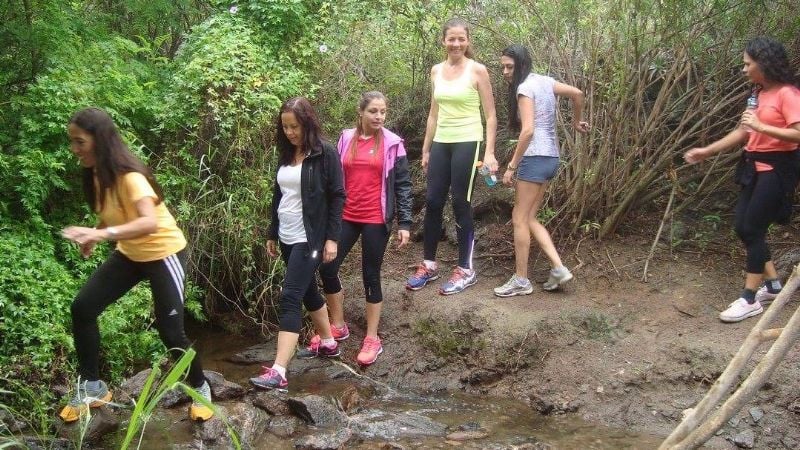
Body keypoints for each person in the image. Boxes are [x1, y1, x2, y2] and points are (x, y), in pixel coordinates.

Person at [59, 107, 213, 422]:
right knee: (83, 308)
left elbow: (147, 223)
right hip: (130, 254)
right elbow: (113, 212)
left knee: (170, 331)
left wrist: (100, 233)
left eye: (80, 142)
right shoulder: (98, 174)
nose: (74, 149)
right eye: (72, 142)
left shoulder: (131, 177)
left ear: (99, 140)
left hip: (164, 253)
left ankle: (202, 387)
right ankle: (92, 386)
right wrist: (96, 232)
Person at [684, 36, 800, 323]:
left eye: (747, 64)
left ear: (764, 63)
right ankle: (772, 286)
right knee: (742, 227)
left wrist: (762, 126)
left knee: (752, 226)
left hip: (778, 169)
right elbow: (744, 131)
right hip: (753, 166)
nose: (744, 69)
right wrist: (707, 151)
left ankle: (749, 299)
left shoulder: (788, 94)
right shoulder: (758, 93)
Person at [249, 97, 345, 391]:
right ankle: (328, 343)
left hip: (311, 237)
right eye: (286, 127)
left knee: (289, 295)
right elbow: (278, 196)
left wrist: (331, 238)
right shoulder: (287, 153)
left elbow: (338, 196)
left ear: (307, 123)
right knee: (306, 291)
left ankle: (279, 371)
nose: (290, 132)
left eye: (295, 126)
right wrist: (271, 232)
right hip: (287, 235)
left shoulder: (325, 153)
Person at [316, 91, 413, 366]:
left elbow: (403, 185)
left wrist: (404, 223)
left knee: (370, 274)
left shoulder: (393, 144)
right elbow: (335, 178)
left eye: (383, 111)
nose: (379, 116)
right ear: (361, 112)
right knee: (327, 267)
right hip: (345, 215)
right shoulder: (346, 138)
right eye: (373, 111)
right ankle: (338, 325)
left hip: (375, 218)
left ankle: (372, 338)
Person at [406, 17, 498, 295]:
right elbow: (433, 114)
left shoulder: (478, 70)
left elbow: (491, 116)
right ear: (443, 41)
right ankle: (429, 265)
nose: (456, 43)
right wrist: (426, 148)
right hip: (441, 142)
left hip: (468, 141)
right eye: (451, 39)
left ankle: (465, 269)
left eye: (461, 39)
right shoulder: (436, 71)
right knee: (433, 202)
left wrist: (490, 152)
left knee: (460, 201)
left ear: (468, 41)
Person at [493, 45, 589, 298]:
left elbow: (528, 131)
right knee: (530, 218)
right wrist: (576, 121)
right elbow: (578, 93)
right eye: (502, 66)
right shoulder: (545, 81)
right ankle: (558, 269)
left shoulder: (524, 88)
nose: (504, 71)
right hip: (552, 158)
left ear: (522, 64)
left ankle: (521, 280)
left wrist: (511, 166)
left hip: (534, 158)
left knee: (518, 218)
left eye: (509, 66)